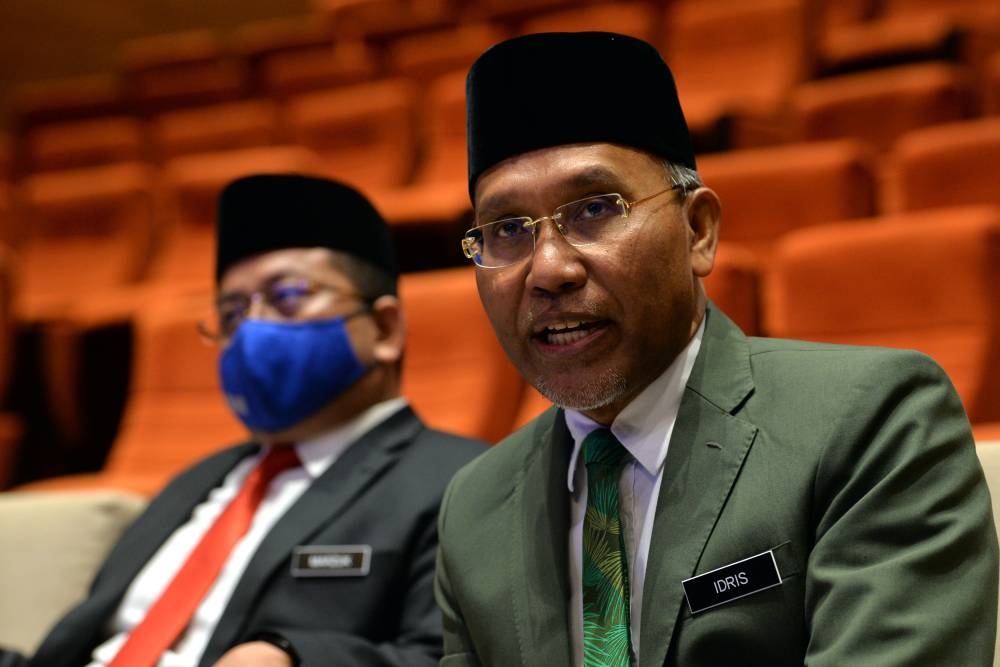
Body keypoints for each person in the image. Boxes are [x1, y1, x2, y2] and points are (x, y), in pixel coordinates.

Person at [434, 31, 999, 666]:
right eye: (507, 229)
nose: (549, 268)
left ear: (698, 231)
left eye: (595, 209)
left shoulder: (868, 418)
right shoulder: (475, 503)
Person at [0, 174, 485, 667]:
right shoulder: (197, 480)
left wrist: (292, 659)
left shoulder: (460, 482)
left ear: (384, 328)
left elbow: (456, 657)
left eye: (288, 297)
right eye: (231, 313)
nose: (251, 329)